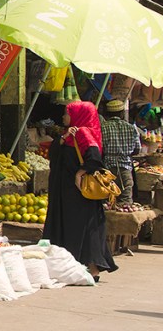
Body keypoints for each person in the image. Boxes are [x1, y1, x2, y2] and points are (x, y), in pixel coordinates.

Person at [43, 101, 118, 282]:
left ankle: (92, 269)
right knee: (73, 228)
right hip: (68, 193)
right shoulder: (72, 133)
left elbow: (94, 158)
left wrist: (79, 173)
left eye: (67, 113)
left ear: (78, 115)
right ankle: (74, 267)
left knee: (82, 229)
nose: (63, 117)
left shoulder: (84, 133)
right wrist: (63, 138)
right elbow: (54, 154)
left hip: (78, 194)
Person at [100, 99, 140, 204]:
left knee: (107, 201)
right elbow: (137, 149)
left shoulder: (102, 127)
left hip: (108, 169)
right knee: (126, 201)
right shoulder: (131, 128)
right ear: (122, 113)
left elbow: (99, 148)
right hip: (125, 168)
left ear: (107, 114)